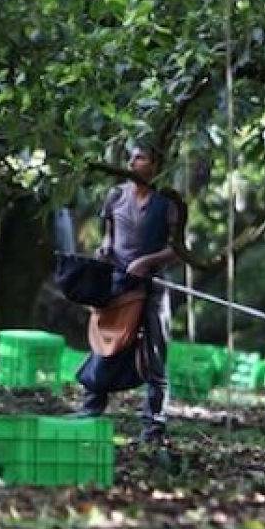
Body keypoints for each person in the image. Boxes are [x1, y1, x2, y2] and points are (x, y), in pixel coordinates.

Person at [74, 143, 182, 444]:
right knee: (106, 344)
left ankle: (154, 426)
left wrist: (147, 262)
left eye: (142, 157)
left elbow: (177, 249)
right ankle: (91, 407)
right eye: (132, 157)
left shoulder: (169, 201)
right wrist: (105, 249)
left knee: (155, 354)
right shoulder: (115, 195)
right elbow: (109, 235)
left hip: (153, 286)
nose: (134, 162)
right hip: (118, 283)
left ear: (156, 164)